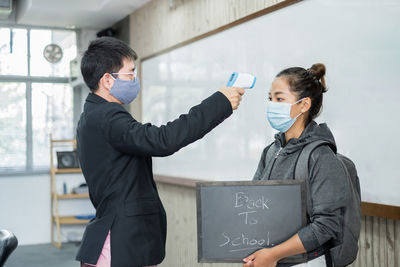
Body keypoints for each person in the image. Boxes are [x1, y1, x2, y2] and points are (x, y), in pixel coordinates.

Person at [76, 37, 245, 267]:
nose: (135, 80)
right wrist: (220, 103)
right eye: (130, 73)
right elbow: (162, 140)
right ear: (107, 80)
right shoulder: (109, 117)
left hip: (119, 237)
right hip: (122, 241)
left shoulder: (93, 114)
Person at [243, 63, 348, 267]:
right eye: (270, 98)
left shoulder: (321, 156)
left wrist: (274, 254)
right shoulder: (270, 151)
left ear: (304, 105)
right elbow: (254, 202)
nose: (272, 104)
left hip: (305, 262)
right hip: (269, 258)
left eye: (279, 99)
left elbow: (325, 226)